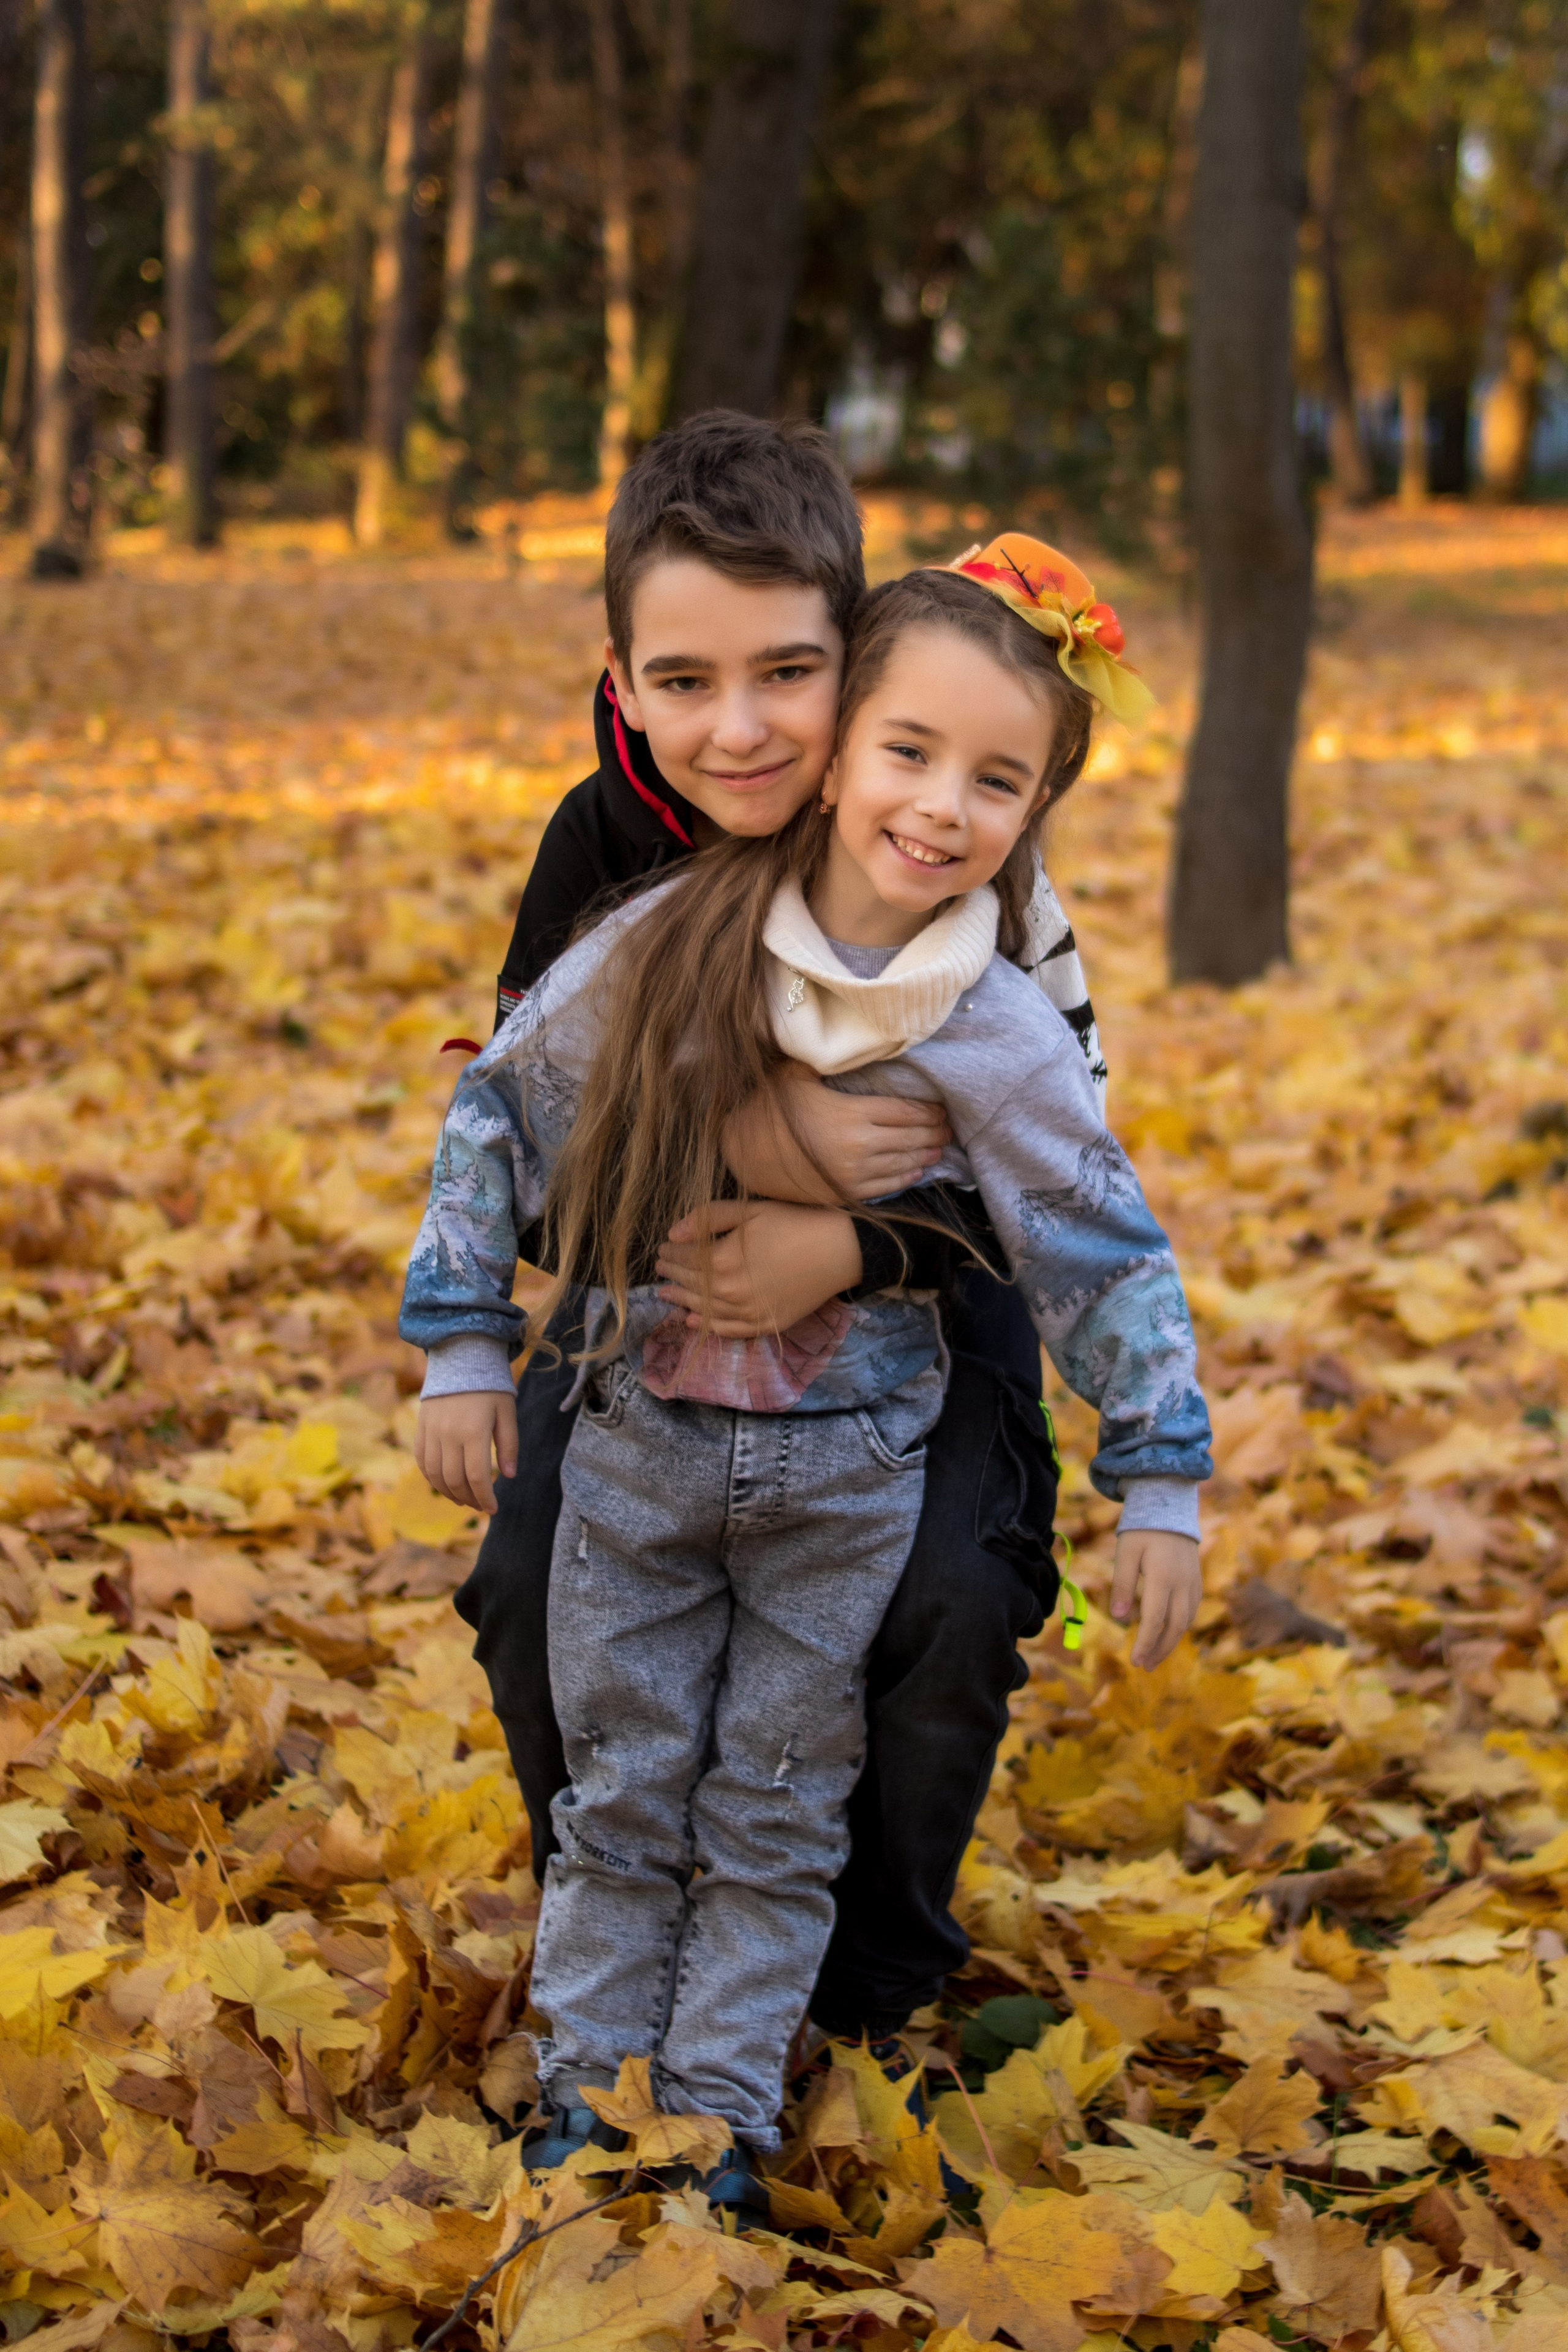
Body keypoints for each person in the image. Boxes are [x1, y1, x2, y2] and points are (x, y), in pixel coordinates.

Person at [400, 535, 1213, 2203]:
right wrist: (464, 1337)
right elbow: (499, 1110)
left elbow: (1097, 1240)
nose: (940, 808)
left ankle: (716, 2114)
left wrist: (1164, 1474)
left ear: (1041, 806)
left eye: (998, 782)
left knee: (773, 1803)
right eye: (909, 754)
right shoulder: (674, 933)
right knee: (630, 1790)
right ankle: (591, 2087)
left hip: (844, 1480)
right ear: (842, 752)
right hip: (642, 1445)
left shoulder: (994, 1017)